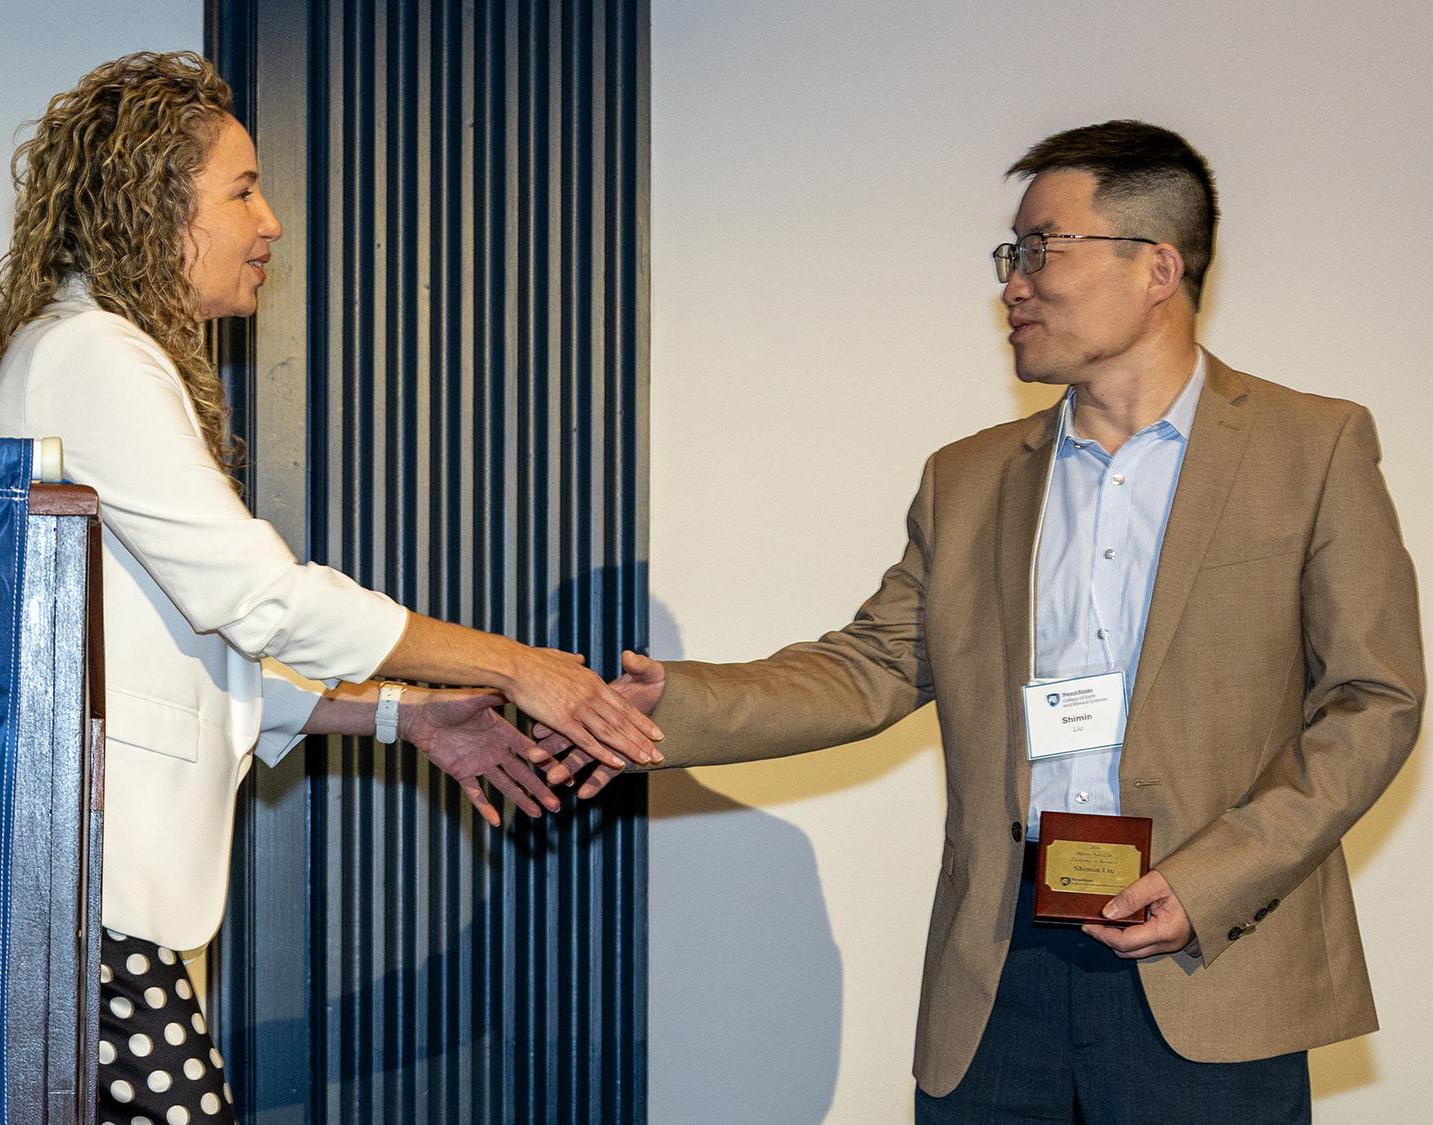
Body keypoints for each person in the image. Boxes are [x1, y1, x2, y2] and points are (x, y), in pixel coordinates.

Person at [543, 120, 1424, 1121]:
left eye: (1042, 248)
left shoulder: (1310, 447)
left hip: (1208, 957)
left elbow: (1374, 700)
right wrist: (677, 705)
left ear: (1157, 268)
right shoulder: (968, 479)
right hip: (999, 968)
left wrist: (1213, 880)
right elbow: (871, 665)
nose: (1013, 282)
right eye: (1011, 254)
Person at [0, 51, 662, 1123]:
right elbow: (260, 598)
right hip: (85, 900)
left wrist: (402, 720)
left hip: (95, 900)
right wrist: (519, 667)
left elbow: (181, 666)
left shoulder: (83, 349)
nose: (271, 221)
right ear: (154, 203)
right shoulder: (94, 351)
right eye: (240, 190)